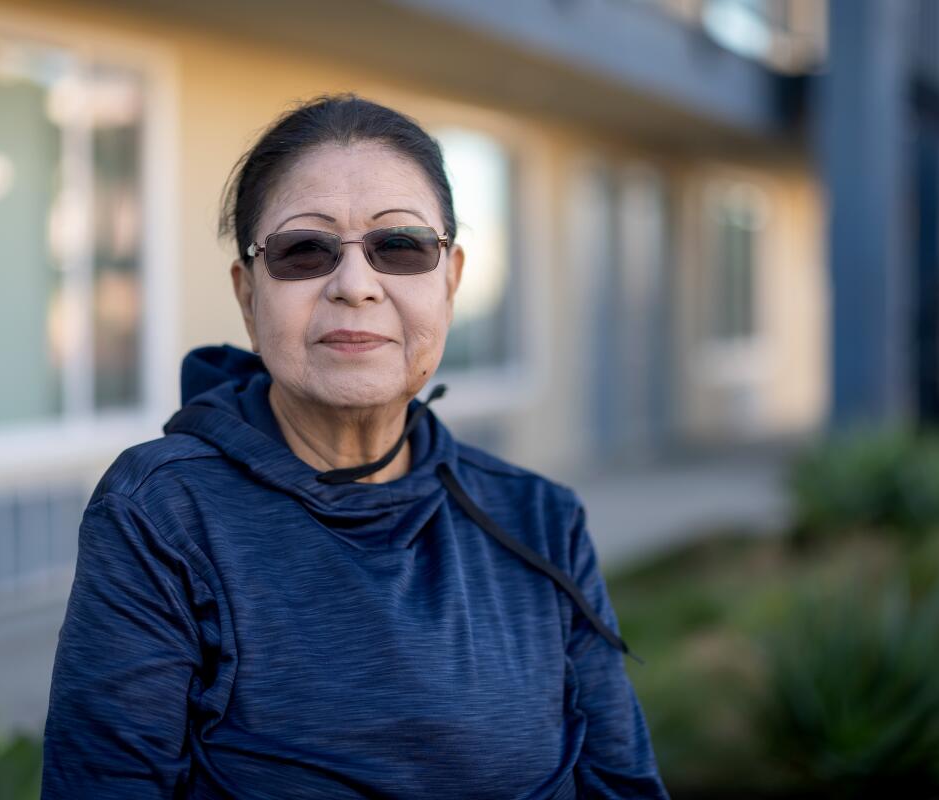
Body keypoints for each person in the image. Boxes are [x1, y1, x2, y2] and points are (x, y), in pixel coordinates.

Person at [40, 93, 669, 799]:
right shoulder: (161, 513)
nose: (355, 286)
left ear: (450, 280)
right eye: (304, 250)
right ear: (248, 298)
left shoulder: (543, 519)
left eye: (399, 247)